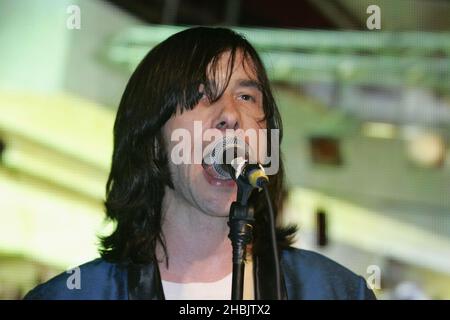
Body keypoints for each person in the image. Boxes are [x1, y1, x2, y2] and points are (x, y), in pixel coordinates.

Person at [24, 27, 375, 300]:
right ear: (153, 141)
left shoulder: (335, 291)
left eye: (247, 97)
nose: (230, 116)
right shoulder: (75, 295)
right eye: (201, 95)